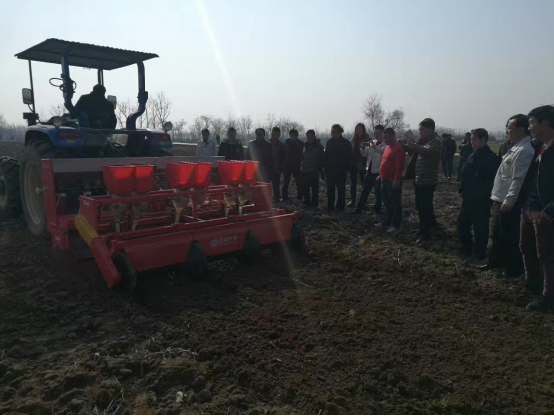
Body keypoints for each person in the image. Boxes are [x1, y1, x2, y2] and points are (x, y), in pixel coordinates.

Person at [486, 115, 535, 277]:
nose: (507, 131)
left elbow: (518, 180)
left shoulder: (524, 150)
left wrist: (509, 202)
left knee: (510, 237)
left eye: (509, 128)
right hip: (501, 199)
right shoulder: (515, 148)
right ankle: (497, 264)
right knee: (498, 235)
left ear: (521, 130)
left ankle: (511, 271)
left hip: (509, 203)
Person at [520, 105, 554, 311]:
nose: (529, 127)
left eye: (532, 122)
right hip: (528, 207)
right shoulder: (538, 147)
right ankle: (531, 284)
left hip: (544, 211)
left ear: (545, 123)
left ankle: (549, 297)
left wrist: (550, 211)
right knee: (526, 248)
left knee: (546, 255)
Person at [457, 128, 500, 264]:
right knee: (462, 224)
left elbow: (491, 181)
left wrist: (484, 195)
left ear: (483, 140)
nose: (472, 142)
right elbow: (465, 173)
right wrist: (463, 188)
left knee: (480, 227)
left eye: (474, 139)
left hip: (481, 199)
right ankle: (468, 249)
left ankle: (479, 254)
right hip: (468, 197)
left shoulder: (491, 159)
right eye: (471, 139)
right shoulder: (472, 155)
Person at [405, 118, 443, 243]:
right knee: (421, 205)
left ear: (431, 130)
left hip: (428, 180)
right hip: (419, 179)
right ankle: (431, 225)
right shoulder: (422, 142)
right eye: (419, 130)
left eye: (423, 130)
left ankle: (425, 233)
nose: (420, 132)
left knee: (424, 207)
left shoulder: (436, 142)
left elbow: (427, 152)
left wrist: (413, 144)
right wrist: (405, 146)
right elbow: (415, 153)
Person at [377, 128, 405, 234]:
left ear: (392, 137)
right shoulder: (387, 148)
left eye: (386, 138)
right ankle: (386, 222)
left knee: (394, 203)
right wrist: (381, 175)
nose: (384, 140)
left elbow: (399, 165)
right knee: (386, 202)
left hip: (392, 180)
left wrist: (397, 179)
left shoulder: (398, 148)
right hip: (384, 179)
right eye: (383, 137)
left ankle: (395, 225)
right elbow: (385, 161)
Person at [355, 125, 386, 215]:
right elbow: (364, 154)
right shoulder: (372, 142)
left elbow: (382, 152)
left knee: (378, 192)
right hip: (369, 170)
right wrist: (362, 147)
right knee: (365, 190)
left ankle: (378, 209)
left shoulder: (385, 144)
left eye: (378, 132)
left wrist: (373, 146)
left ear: (382, 133)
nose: (376, 134)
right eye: (375, 132)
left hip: (378, 172)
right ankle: (359, 207)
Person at [325, 124, 352, 212]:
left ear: (339, 132)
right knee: (330, 190)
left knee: (341, 190)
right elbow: (326, 156)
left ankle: (340, 207)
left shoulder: (346, 143)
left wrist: (347, 169)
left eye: (334, 132)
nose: (332, 134)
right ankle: (330, 206)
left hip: (341, 171)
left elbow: (349, 157)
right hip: (330, 170)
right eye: (331, 132)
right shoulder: (329, 143)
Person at [348, 123, 370, 208]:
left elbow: (368, 153)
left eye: (360, 129)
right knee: (353, 183)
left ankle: (364, 201)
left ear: (363, 130)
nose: (358, 131)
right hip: (354, 164)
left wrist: (362, 163)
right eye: (357, 129)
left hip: (363, 164)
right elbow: (351, 153)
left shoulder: (367, 140)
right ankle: (353, 200)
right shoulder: (352, 140)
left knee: (364, 183)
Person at [302, 129, 325, 208]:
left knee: (315, 188)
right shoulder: (305, 146)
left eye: (310, 136)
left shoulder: (319, 146)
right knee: (305, 188)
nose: (308, 138)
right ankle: (306, 202)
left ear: (314, 136)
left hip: (314, 170)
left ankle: (315, 203)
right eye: (307, 136)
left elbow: (322, 159)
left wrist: (320, 169)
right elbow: (302, 157)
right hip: (305, 170)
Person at [283, 129, 304, 201]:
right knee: (285, 182)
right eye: (291, 135)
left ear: (297, 136)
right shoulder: (286, 143)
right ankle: (284, 196)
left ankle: (300, 197)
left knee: (299, 182)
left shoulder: (301, 144)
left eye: (294, 136)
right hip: (287, 166)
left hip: (297, 166)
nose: (292, 137)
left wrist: (301, 163)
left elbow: (303, 154)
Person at [270, 127, 286, 202]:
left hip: (277, 168)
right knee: (266, 184)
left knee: (276, 184)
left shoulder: (282, 145)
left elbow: (284, 158)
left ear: (279, 135)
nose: (275, 135)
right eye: (273, 134)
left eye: (277, 134)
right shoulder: (267, 144)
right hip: (268, 168)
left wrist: (282, 168)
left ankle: (276, 198)